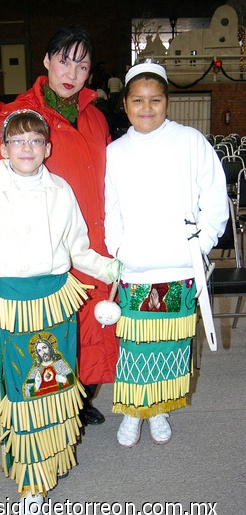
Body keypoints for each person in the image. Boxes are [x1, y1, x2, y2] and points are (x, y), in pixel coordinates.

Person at [0, 25, 119, 425]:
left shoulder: (96, 118)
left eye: (81, 65)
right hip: (47, 247)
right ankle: (50, 405)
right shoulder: (22, 117)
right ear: (46, 61)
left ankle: (80, 399)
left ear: (89, 73)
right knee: (51, 336)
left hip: (93, 240)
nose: (71, 72)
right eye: (64, 60)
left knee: (93, 326)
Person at [0, 109, 119, 515]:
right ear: (3, 148)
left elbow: (79, 248)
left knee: (59, 383)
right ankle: (31, 484)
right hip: (15, 304)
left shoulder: (61, 189)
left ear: (48, 148)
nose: (27, 148)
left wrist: (113, 269)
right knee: (23, 390)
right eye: (18, 141)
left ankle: (52, 457)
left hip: (57, 302)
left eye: (35, 141)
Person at [104, 61, 229, 449]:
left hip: (178, 269)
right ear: (125, 104)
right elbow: (112, 210)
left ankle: (159, 409)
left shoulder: (190, 142)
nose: (146, 107)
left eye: (155, 100)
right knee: (135, 347)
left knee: (172, 347)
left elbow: (214, 199)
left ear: (167, 102)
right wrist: (118, 250)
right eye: (138, 100)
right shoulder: (115, 151)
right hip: (136, 272)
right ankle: (131, 411)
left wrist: (198, 246)